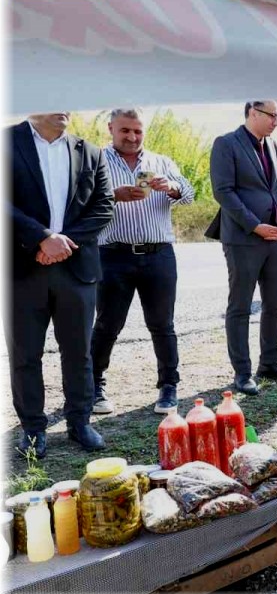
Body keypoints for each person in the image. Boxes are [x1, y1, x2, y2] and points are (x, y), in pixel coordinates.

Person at [6, 113, 114, 457]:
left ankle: (79, 422)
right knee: (25, 354)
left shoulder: (90, 152)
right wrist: (41, 238)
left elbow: (103, 204)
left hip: (76, 268)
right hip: (21, 268)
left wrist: (63, 242)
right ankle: (33, 430)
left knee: (78, 352)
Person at [90, 108, 196, 416]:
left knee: (163, 324)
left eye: (137, 131)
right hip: (113, 255)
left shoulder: (161, 162)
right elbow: (80, 198)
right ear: (111, 128)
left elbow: (189, 193)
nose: (132, 137)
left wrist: (172, 187)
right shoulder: (96, 160)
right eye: (125, 130)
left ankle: (168, 386)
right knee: (108, 324)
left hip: (159, 255)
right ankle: (94, 385)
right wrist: (113, 194)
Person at [207, 100, 277, 396]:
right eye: (272, 115)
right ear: (253, 113)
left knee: (275, 304)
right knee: (241, 306)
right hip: (245, 239)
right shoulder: (227, 144)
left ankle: (270, 363)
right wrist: (255, 225)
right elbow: (224, 191)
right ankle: (242, 372)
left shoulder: (276, 147)